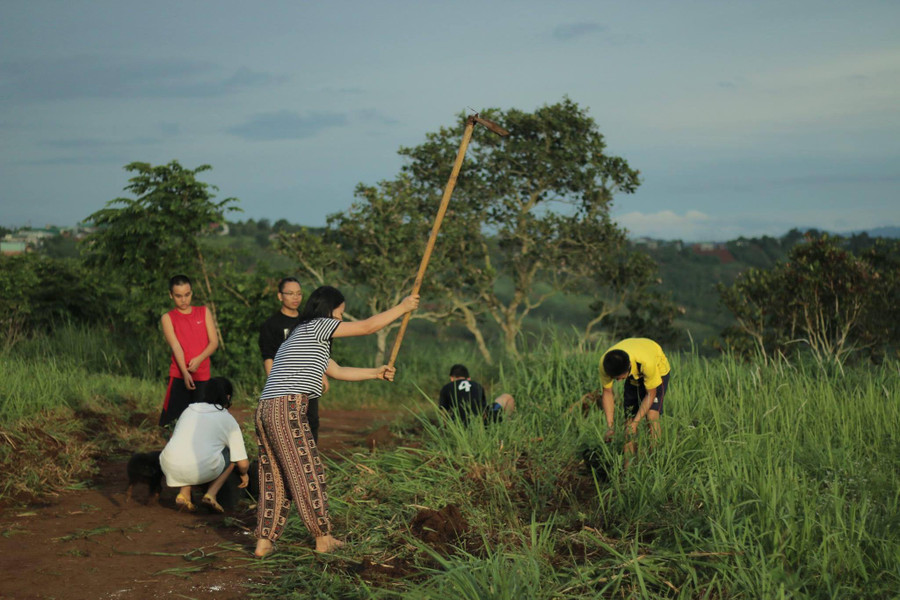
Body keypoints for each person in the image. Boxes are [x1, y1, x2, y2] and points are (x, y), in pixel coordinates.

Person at [253, 286, 419, 557]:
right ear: (330, 310)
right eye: (340, 313)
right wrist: (403, 307)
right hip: (286, 407)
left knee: (276, 477)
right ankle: (323, 537)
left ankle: (264, 542)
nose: (340, 320)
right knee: (308, 472)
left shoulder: (301, 334)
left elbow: (337, 370)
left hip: (265, 409)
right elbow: (367, 327)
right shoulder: (318, 326)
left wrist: (375, 373)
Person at [159, 377, 250, 512]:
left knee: (189, 446)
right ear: (228, 396)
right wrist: (244, 473)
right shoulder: (227, 419)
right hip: (199, 469)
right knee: (231, 455)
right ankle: (211, 494)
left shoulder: (189, 409)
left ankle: (184, 493)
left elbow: (175, 436)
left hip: (168, 463)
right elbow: (242, 463)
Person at [258, 277, 325, 442]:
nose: (295, 298)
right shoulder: (271, 325)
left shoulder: (307, 322)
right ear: (280, 296)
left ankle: (311, 462)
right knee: (288, 425)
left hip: (308, 382)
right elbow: (269, 357)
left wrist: (323, 375)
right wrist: (275, 384)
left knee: (311, 422)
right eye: (290, 293)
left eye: (299, 294)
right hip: (285, 385)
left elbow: (315, 352)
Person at [158, 274, 218, 426]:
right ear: (171, 295)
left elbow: (213, 343)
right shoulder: (168, 317)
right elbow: (176, 346)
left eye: (187, 294)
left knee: (201, 422)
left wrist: (199, 359)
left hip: (203, 375)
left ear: (191, 292)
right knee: (173, 421)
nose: (183, 300)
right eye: (178, 296)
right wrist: (185, 373)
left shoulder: (204, 312)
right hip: (179, 375)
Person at [598, 338, 671, 453]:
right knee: (628, 423)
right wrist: (610, 427)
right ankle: (629, 468)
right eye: (614, 378)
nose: (618, 381)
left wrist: (636, 423)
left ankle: (656, 459)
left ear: (629, 367)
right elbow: (607, 392)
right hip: (634, 371)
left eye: (620, 378)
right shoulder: (605, 364)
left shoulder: (647, 363)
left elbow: (651, 394)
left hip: (657, 369)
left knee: (651, 416)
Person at [438, 364, 515, 424]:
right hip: (480, 422)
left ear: (451, 378)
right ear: (469, 378)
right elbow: (483, 410)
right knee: (507, 397)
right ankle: (506, 423)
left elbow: (443, 413)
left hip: (458, 424)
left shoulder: (446, 388)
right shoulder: (477, 385)